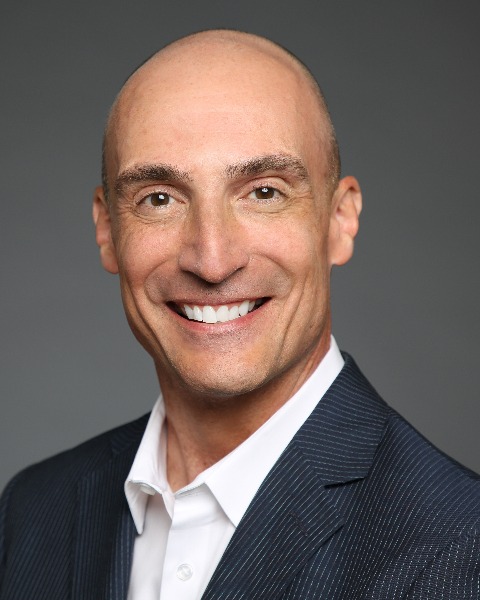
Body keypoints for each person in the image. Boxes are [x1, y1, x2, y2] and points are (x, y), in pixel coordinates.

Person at [1, 29, 479, 600]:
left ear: (340, 219)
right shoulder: (32, 511)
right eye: (159, 198)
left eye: (264, 193)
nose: (212, 259)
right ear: (108, 230)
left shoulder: (459, 547)